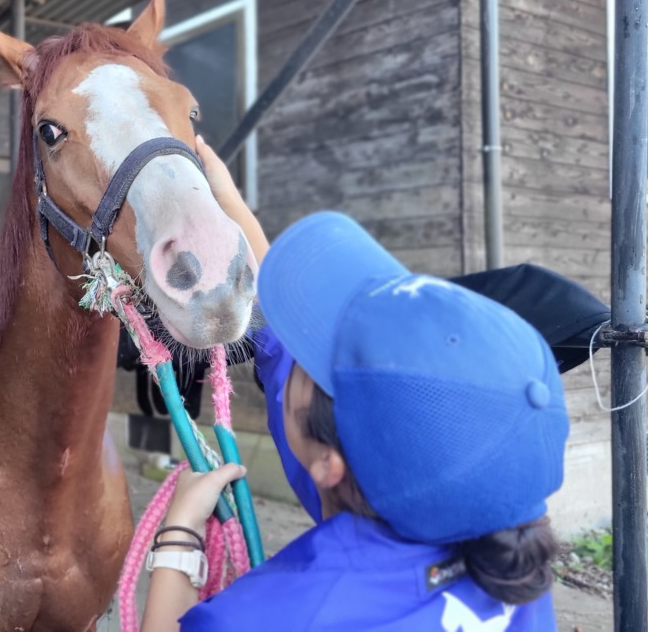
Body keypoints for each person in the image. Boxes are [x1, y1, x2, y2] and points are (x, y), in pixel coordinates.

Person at [138, 138, 569, 631]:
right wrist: (225, 202)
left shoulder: (277, 614)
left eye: (312, 356)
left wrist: (179, 536)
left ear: (329, 463)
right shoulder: (508, 566)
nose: (296, 352)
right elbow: (282, 339)